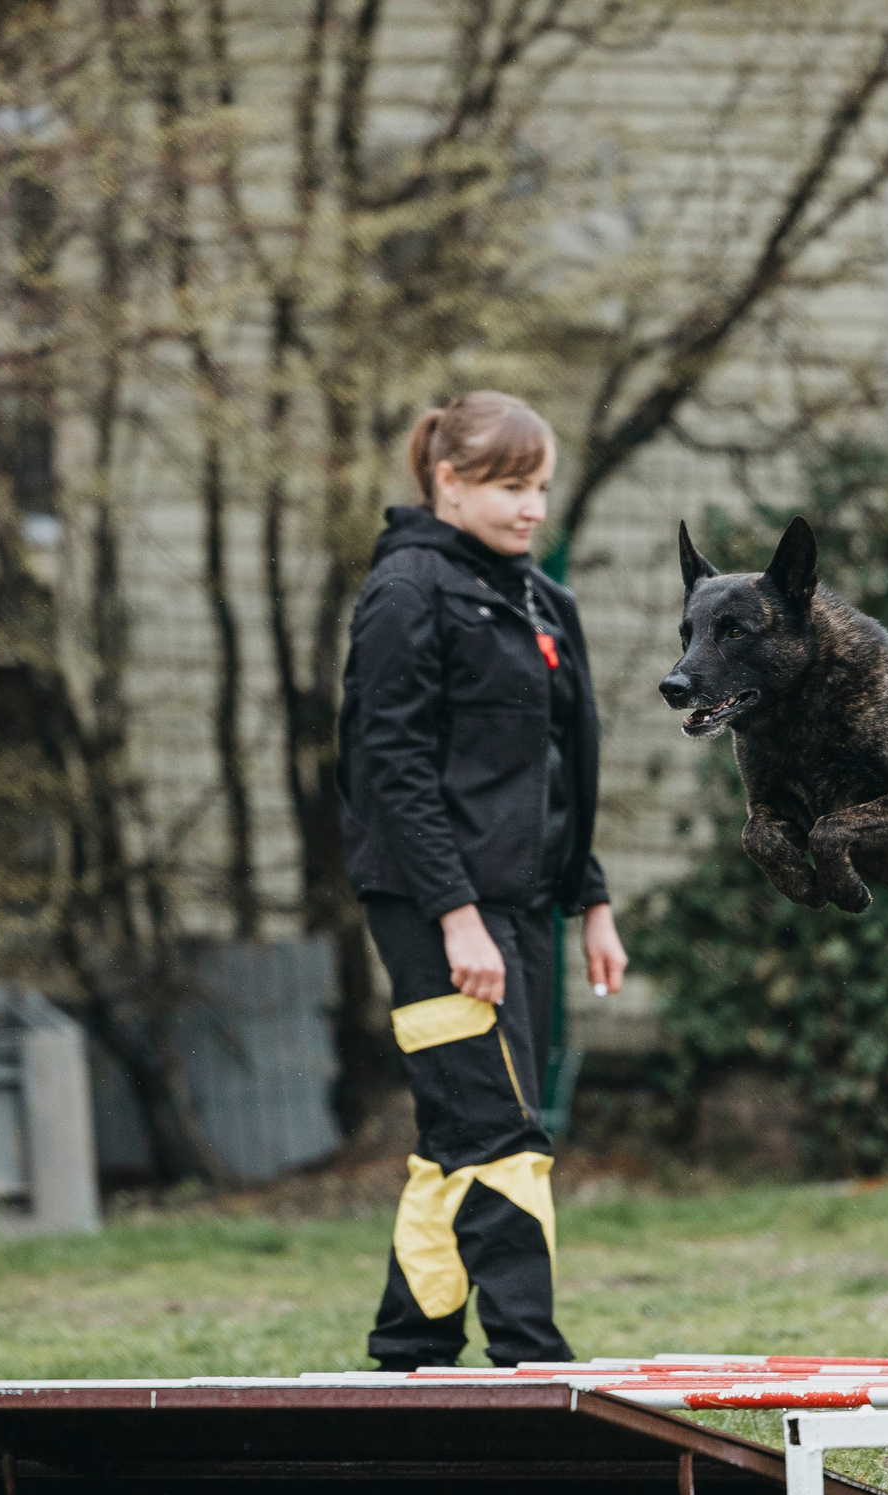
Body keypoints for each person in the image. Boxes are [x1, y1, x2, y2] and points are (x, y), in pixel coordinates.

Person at [337, 390, 628, 1371]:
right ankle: (531, 1358)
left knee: (459, 1131)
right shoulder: (407, 593)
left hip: (520, 902)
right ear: (447, 481)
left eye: (540, 486)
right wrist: (453, 915)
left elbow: (557, 764)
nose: (531, 508)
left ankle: (408, 1344)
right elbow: (393, 768)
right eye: (508, 486)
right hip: (431, 908)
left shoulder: (542, 600)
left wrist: (589, 898)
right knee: (503, 1129)